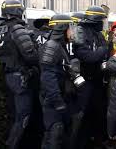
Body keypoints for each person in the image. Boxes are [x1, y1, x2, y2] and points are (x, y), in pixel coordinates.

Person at [0, 0, 39, 149]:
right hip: (20, 77)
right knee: (23, 117)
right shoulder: (17, 29)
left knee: (14, 116)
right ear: (18, 12)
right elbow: (31, 56)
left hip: (8, 77)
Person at [39, 14, 82, 149]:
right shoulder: (52, 46)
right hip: (53, 100)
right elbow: (48, 77)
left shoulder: (59, 46)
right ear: (62, 28)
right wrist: (57, 101)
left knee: (60, 134)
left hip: (61, 97)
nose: (72, 32)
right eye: (70, 28)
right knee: (54, 133)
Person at [72, 6, 109, 148]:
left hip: (97, 81)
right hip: (85, 81)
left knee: (98, 113)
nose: (102, 24)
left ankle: (96, 142)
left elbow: (103, 54)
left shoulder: (98, 34)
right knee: (82, 116)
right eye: (101, 21)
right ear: (95, 20)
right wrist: (101, 51)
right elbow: (88, 57)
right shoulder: (80, 32)